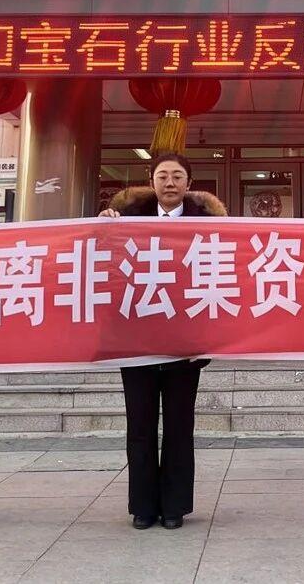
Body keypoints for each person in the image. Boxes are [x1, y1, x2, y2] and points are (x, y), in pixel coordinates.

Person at [99, 152, 226, 530]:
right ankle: (143, 506)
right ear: (151, 180)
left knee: (179, 426)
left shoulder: (210, 225)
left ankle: (174, 506)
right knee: (139, 426)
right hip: (135, 340)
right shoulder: (126, 220)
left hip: (185, 344)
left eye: (177, 176)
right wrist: (102, 226)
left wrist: (208, 338)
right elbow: (105, 268)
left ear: (189, 183)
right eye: (163, 176)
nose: (170, 183)